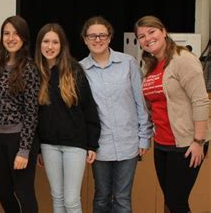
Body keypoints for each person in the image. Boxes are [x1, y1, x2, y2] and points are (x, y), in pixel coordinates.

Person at [134, 15, 210, 213]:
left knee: (177, 203)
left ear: (164, 31)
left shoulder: (182, 59)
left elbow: (200, 101)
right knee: (170, 200)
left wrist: (198, 141)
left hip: (186, 143)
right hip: (162, 143)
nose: (147, 38)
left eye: (152, 32)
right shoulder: (150, 66)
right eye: (141, 36)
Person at [79, 16, 152, 213]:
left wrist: (144, 137)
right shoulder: (80, 70)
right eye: (92, 35)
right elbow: (80, 112)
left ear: (110, 37)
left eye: (102, 35)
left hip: (128, 143)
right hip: (99, 146)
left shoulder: (127, 63)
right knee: (102, 197)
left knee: (122, 198)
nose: (97, 39)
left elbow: (140, 102)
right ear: (85, 39)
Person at [35, 23, 101, 213]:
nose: (50, 46)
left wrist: (92, 144)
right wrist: (38, 148)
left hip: (75, 145)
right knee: (57, 198)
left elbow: (89, 108)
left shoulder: (75, 70)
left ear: (62, 45)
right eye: (46, 41)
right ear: (39, 44)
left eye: (55, 42)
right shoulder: (35, 72)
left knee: (71, 200)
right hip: (48, 145)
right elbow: (34, 115)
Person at [0, 15, 40, 213]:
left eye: (16, 34)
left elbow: (32, 112)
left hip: (20, 139)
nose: (11, 38)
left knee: (24, 192)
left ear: (24, 38)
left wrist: (24, 150)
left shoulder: (30, 68)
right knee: (2, 191)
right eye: (6, 33)